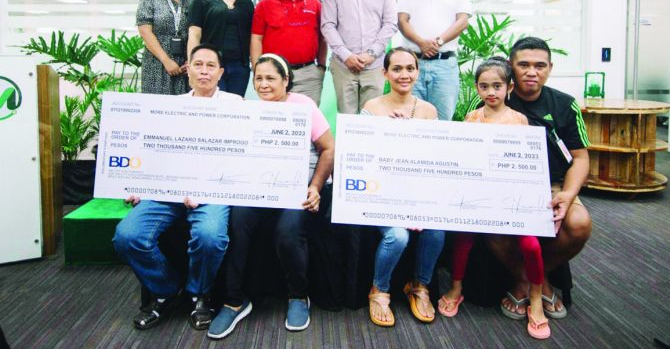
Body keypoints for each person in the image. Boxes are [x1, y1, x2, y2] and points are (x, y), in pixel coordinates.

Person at [207, 53, 335, 338]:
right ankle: (234, 301)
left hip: (300, 187)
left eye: (270, 78)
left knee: (288, 232)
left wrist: (315, 186)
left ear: (286, 80)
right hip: (260, 189)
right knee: (237, 222)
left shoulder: (304, 106)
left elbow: (329, 148)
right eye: (259, 79)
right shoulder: (252, 110)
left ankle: (298, 296)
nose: (263, 85)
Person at [113, 44, 239, 331]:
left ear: (220, 73)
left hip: (212, 192)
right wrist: (140, 185)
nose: (204, 70)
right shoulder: (169, 106)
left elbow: (237, 158)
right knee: (127, 236)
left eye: (210, 65)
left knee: (210, 236)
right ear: (188, 70)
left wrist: (204, 188)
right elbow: (155, 153)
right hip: (166, 191)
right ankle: (166, 290)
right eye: (198, 64)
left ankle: (199, 293)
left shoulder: (235, 105)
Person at [438, 57, 550, 339]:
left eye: (497, 86)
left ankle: (535, 298)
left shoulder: (519, 120)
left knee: (531, 244)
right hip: (479, 195)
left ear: (509, 87)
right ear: (477, 88)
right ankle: (456, 288)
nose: (491, 92)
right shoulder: (472, 118)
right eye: (484, 86)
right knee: (463, 236)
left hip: (512, 198)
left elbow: (528, 165)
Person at [491, 37, 591, 322]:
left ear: (550, 68)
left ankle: (531, 279)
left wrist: (568, 194)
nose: (531, 72)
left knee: (580, 224)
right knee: (491, 226)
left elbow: (581, 159)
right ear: (511, 66)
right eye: (523, 65)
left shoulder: (564, 104)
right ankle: (536, 284)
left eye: (539, 65)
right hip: (503, 184)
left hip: (553, 185)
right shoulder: (493, 95)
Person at [361, 47, 444, 327]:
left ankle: (419, 286)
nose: (404, 74)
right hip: (382, 193)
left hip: (419, 193)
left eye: (410, 68)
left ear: (418, 72)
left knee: (436, 230)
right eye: (396, 69)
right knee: (397, 236)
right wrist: (391, 135)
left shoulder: (429, 111)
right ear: (385, 73)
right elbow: (363, 159)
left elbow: (435, 163)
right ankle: (379, 288)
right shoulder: (372, 108)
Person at [397, 0, 472, 121]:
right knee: (410, 118)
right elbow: (402, 21)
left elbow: (462, 21)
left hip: (445, 65)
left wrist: (438, 42)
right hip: (414, 64)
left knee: (443, 119)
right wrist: (422, 43)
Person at [321, 0, 398, 114]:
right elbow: (328, 26)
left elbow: (390, 23)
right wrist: (346, 55)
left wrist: (371, 54)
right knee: (347, 121)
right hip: (343, 67)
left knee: (371, 119)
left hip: (374, 66)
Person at [250, 0, 327, 105]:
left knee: (308, 120)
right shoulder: (264, 5)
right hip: (275, 74)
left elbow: (323, 38)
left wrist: (322, 66)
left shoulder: (314, 4)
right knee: (275, 119)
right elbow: (256, 40)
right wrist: (257, 72)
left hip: (308, 74)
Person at [188, 0, 255, 97]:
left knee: (235, 107)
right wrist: (192, 66)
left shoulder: (246, 2)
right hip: (211, 66)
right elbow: (194, 34)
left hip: (240, 68)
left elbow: (252, 37)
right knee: (213, 107)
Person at [136, 0, 191, 95]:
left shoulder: (193, 0)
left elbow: (199, 33)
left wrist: (192, 60)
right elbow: (145, 32)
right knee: (156, 111)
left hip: (186, 67)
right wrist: (166, 60)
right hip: (157, 64)